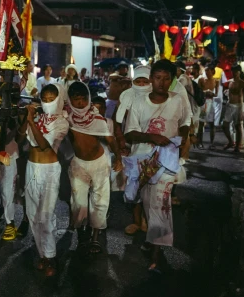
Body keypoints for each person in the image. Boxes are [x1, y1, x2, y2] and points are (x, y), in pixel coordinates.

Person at [124, 60, 191, 273]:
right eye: (158, 78)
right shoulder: (139, 102)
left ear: (171, 81)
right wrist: (151, 136)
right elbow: (129, 132)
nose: (161, 82)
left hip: (166, 161)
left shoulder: (179, 100)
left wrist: (179, 147)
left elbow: (186, 124)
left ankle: (157, 250)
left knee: (161, 203)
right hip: (143, 159)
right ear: (151, 78)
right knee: (146, 201)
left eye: (166, 78)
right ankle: (152, 240)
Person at [17, 83, 69, 277]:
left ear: (58, 100)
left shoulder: (61, 122)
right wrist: (26, 118)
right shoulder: (36, 116)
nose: (47, 102)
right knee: (32, 214)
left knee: (46, 215)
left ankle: (51, 257)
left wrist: (31, 121)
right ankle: (43, 254)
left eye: (51, 99)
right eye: (44, 99)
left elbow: (44, 145)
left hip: (49, 170)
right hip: (32, 167)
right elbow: (20, 138)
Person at [65, 82, 122, 255]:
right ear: (70, 100)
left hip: (98, 163)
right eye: (76, 100)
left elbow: (111, 140)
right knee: (78, 203)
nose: (81, 103)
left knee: (99, 201)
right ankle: (83, 237)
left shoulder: (96, 118)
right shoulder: (66, 117)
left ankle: (95, 238)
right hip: (78, 164)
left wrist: (118, 158)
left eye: (84, 99)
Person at [114, 65, 152, 237]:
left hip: (153, 148)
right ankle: (137, 221)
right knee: (134, 187)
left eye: (146, 80)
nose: (142, 84)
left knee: (150, 187)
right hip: (133, 148)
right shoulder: (126, 96)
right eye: (139, 81)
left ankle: (146, 220)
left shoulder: (158, 97)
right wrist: (122, 141)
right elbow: (117, 121)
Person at [223, 65, 244, 152]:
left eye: (236, 72)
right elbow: (228, 94)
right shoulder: (230, 82)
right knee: (225, 125)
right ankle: (231, 141)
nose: (234, 74)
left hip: (238, 106)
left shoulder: (243, 84)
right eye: (232, 72)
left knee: (238, 126)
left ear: (239, 72)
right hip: (230, 105)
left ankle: (237, 146)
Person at [198, 64, 221, 149]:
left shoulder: (216, 81)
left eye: (208, 70)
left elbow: (216, 94)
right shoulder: (202, 80)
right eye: (206, 70)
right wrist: (205, 92)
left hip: (211, 103)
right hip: (204, 103)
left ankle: (212, 143)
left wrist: (212, 94)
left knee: (212, 123)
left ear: (212, 71)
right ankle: (200, 142)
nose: (206, 72)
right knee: (201, 122)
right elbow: (198, 92)